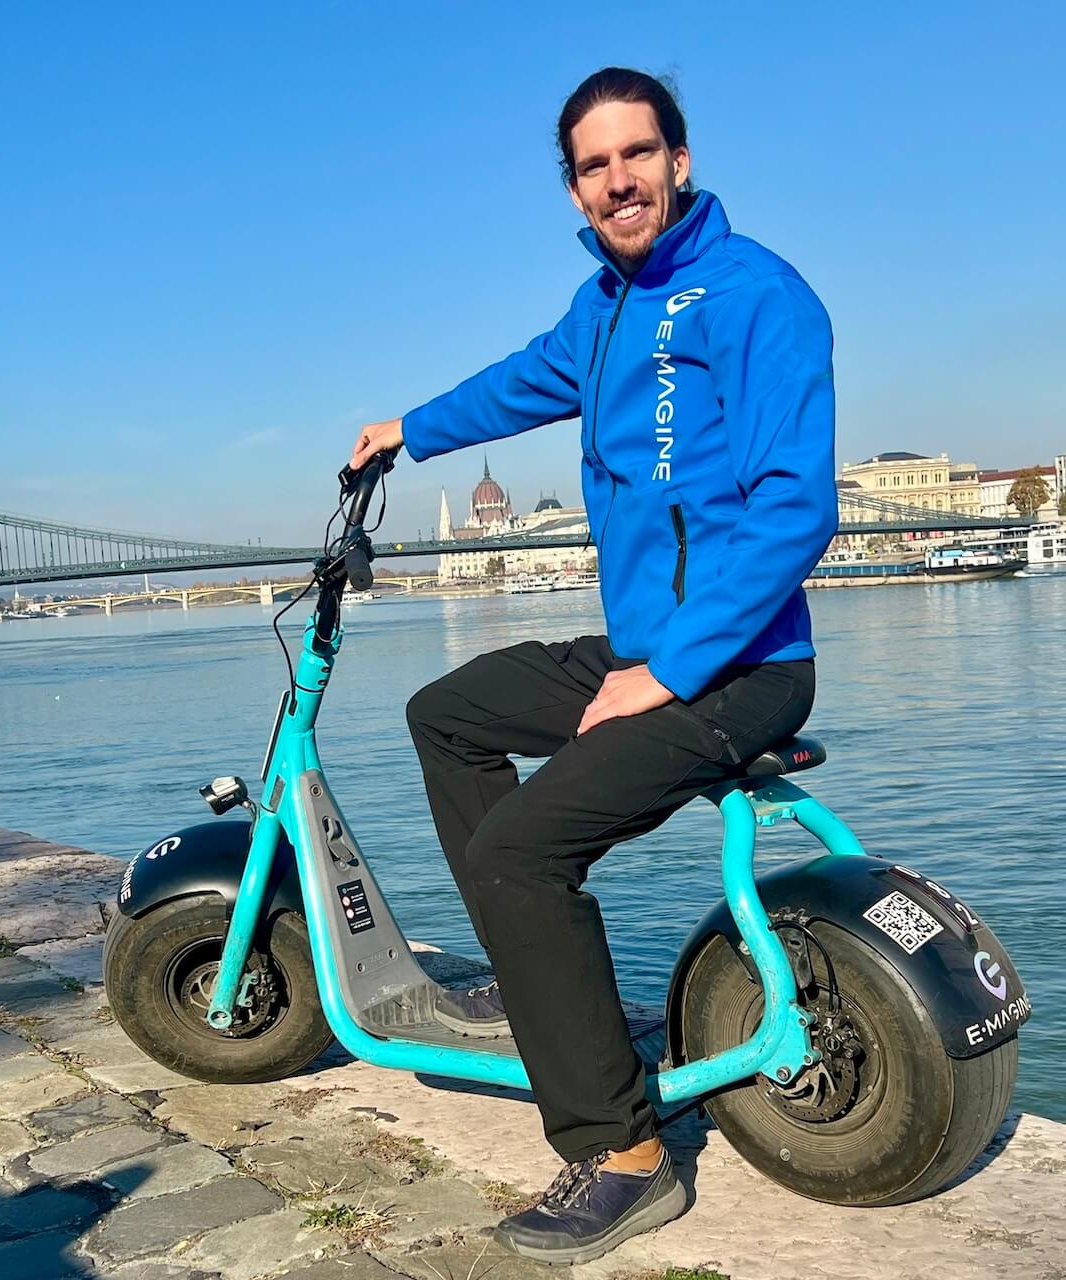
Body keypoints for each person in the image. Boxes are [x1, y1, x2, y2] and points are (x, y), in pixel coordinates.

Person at [349, 67, 837, 1265]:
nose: (616, 179)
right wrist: (407, 429)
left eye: (636, 154)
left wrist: (666, 672)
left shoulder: (757, 295)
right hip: (642, 648)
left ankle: (620, 1151)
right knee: (447, 711)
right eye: (591, 164)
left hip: (739, 664)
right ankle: (538, 988)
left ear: (677, 158)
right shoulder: (602, 305)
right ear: (572, 184)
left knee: (520, 848)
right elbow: (521, 381)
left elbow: (791, 511)